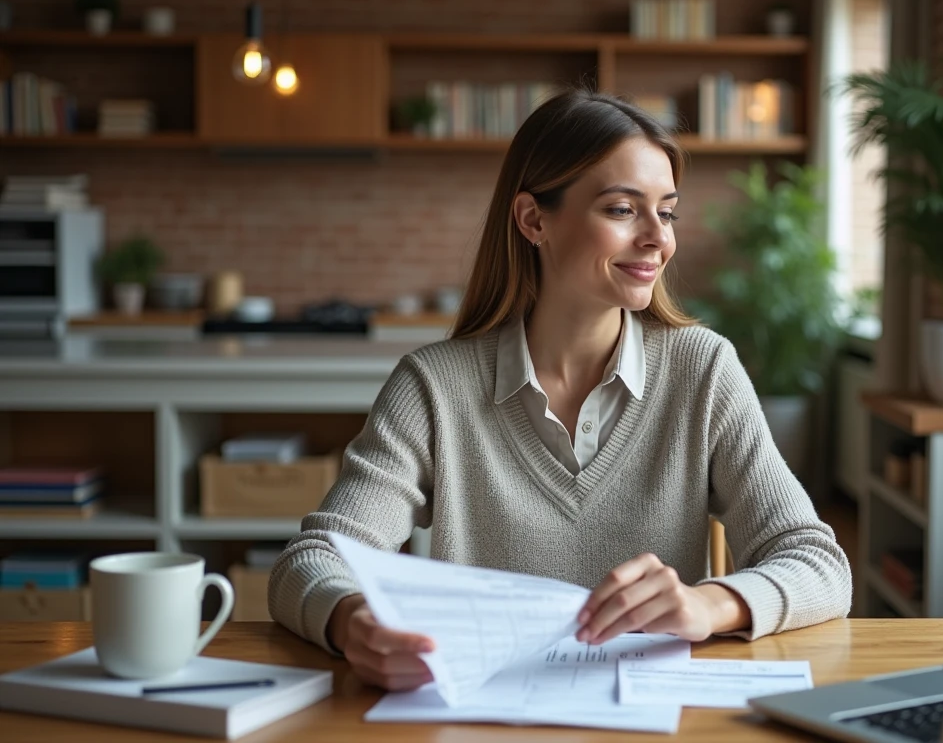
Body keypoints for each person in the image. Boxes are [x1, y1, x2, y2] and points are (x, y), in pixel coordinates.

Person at [268, 89, 852, 692]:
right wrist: (353, 620)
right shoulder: (434, 389)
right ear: (533, 219)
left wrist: (710, 605)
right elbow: (310, 563)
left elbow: (817, 561)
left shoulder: (703, 371)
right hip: (483, 724)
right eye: (624, 210)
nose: (659, 239)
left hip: (652, 723)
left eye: (668, 211)